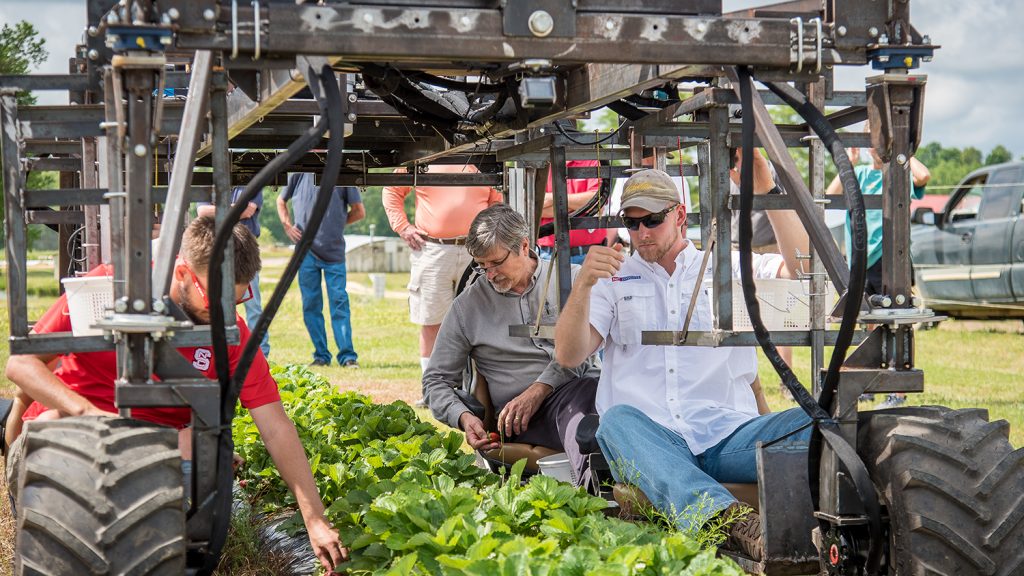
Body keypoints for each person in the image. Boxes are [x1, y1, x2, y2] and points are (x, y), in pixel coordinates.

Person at [3, 217, 348, 571]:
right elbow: (22, 364)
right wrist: (82, 412)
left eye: (239, 297)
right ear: (182, 273)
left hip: (155, 453)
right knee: (53, 424)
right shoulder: (108, 289)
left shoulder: (232, 334)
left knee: (200, 447)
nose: (226, 313)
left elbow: (274, 426)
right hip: (73, 435)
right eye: (215, 300)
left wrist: (315, 519)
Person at [554, 158, 811, 561]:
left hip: (726, 434)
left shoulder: (726, 263)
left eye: (651, 220)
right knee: (616, 422)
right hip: (650, 438)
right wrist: (583, 285)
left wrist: (767, 193)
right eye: (631, 222)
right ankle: (732, 522)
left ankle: (852, 520)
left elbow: (805, 270)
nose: (640, 233)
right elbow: (569, 355)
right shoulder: (612, 276)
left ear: (680, 215)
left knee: (817, 420)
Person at [423, 204, 599, 484]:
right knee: (586, 416)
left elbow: (589, 352)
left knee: (595, 400)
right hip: (520, 420)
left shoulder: (571, 281)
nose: (490, 275)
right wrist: (464, 417)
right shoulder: (468, 306)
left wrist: (539, 390)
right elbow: (435, 380)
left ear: (524, 246)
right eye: (482, 266)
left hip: (584, 394)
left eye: (496, 263)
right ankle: (592, 492)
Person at [827, 123, 930, 408]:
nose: (876, 147)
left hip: (891, 258)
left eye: (881, 141)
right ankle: (871, 381)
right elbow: (831, 196)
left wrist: (900, 152)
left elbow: (924, 176)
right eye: (872, 141)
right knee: (869, 320)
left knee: (897, 320)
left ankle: (897, 390)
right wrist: (848, 163)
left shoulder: (898, 172)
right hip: (863, 260)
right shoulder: (858, 175)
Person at [383, 164, 502, 404]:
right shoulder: (423, 157)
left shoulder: (481, 157)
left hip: (475, 249)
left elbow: (497, 202)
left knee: (479, 321)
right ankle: (433, 393)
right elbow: (392, 189)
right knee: (431, 321)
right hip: (432, 248)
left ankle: (477, 390)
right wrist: (403, 227)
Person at [278, 173, 365, 367]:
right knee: (311, 304)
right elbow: (280, 200)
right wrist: (287, 226)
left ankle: (348, 356)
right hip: (306, 253)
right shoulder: (299, 172)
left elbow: (359, 211)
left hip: (334, 252)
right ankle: (321, 356)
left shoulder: (340, 171)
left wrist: (337, 223)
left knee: (339, 303)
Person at [197, 186, 270, 357]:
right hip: (217, 250)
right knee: (215, 304)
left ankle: (260, 352)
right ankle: (221, 351)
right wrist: (235, 207)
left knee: (253, 306)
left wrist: (219, 211)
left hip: (245, 251)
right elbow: (202, 212)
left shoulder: (251, 183)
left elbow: (247, 211)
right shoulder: (210, 184)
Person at [536, 159, 605, 265]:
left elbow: (597, 201)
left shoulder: (592, 161)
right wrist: (580, 205)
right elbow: (535, 207)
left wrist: (551, 198)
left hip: (589, 255)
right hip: (548, 255)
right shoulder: (541, 164)